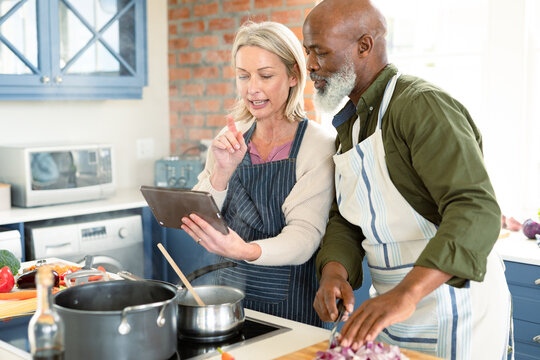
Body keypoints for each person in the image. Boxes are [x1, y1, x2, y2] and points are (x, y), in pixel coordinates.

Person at [302, 0, 513, 358]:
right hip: (390, 310)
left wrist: (407, 294)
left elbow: (475, 210)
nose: (311, 65)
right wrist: (334, 272)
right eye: (308, 52)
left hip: (454, 307)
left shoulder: (421, 107)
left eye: (320, 52)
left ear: (364, 46)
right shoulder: (349, 126)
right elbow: (347, 220)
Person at [180, 21, 335, 327]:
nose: (252, 88)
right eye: (243, 76)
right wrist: (221, 173)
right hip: (229, 301)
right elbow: (199, 217)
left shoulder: (318, 146)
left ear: (293, 75)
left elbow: (304, 236)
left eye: (265, 75)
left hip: (294, 307)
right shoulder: (231, 136)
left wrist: (244, 250)